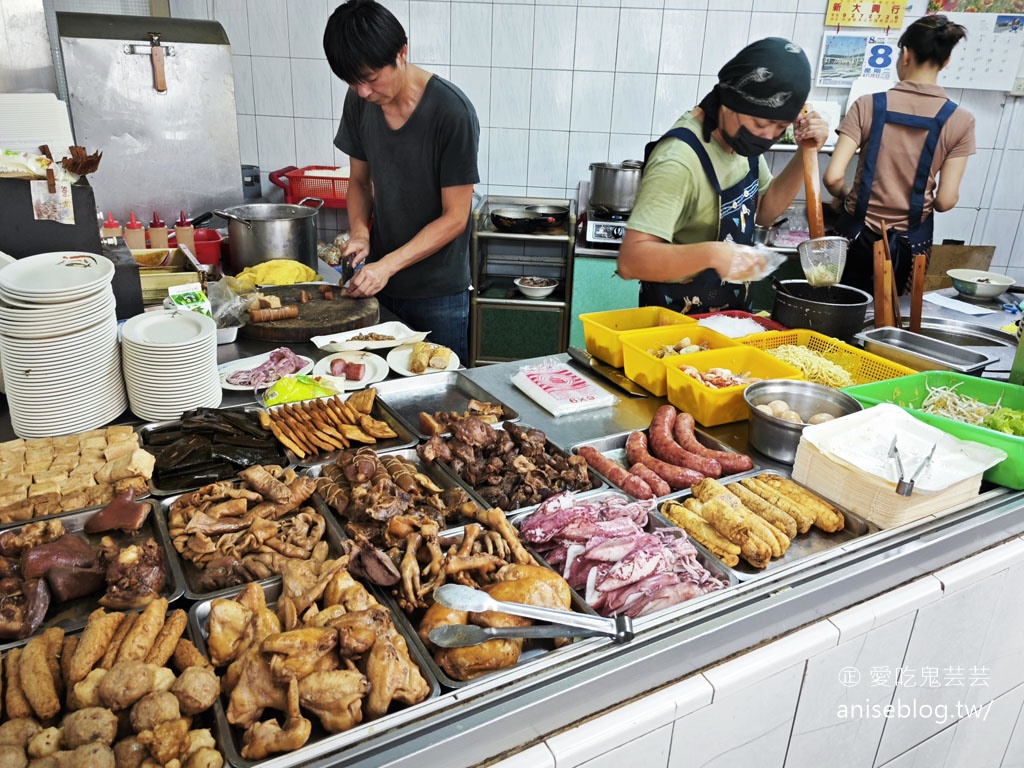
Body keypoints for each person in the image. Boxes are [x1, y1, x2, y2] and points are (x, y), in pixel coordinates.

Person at [617, 37, 829, 315]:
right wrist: (715, 255)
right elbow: (631, 261)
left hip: (730, 319)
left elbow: (765, 212)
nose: (768, 136)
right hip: (672, 329)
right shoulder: (679, 160)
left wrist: (806, 152)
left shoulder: (740, 142)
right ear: (729, 102)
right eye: (761, 123)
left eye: (780, 127)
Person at [323, 0, 480, 362]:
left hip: (437, 293)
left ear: (401, 53)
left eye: (371, 78)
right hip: (378, 285)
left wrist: (388, 266)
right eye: (352, 81)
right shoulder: (360, 101)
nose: (362, 91)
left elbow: (456, 217)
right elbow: (360, 182)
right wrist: (360, 234)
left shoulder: (451, 112)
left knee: (440, 404)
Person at [823, 15, 974, 296]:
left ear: (905, 54)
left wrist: (844, 194)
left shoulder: (867, 106)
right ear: (946, 61)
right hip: (911, 248)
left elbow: (832, 177)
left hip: (854, 239)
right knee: (894, 320)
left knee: (840, 312)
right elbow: (945, 201)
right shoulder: (960, 120)